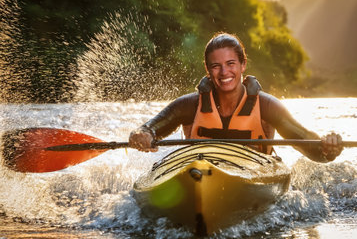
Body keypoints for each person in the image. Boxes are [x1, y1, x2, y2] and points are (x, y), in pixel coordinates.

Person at [129, 32, 343, 162]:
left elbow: (307, 142)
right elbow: (150, 127)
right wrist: (141, 134)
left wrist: (328, 149)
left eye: (231, 64)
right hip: (199, 171)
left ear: (243, 65)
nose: (224, 73)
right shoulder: (190, 104)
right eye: (216, 66)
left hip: (254, 171)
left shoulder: (268, 106)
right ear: (208, 69)